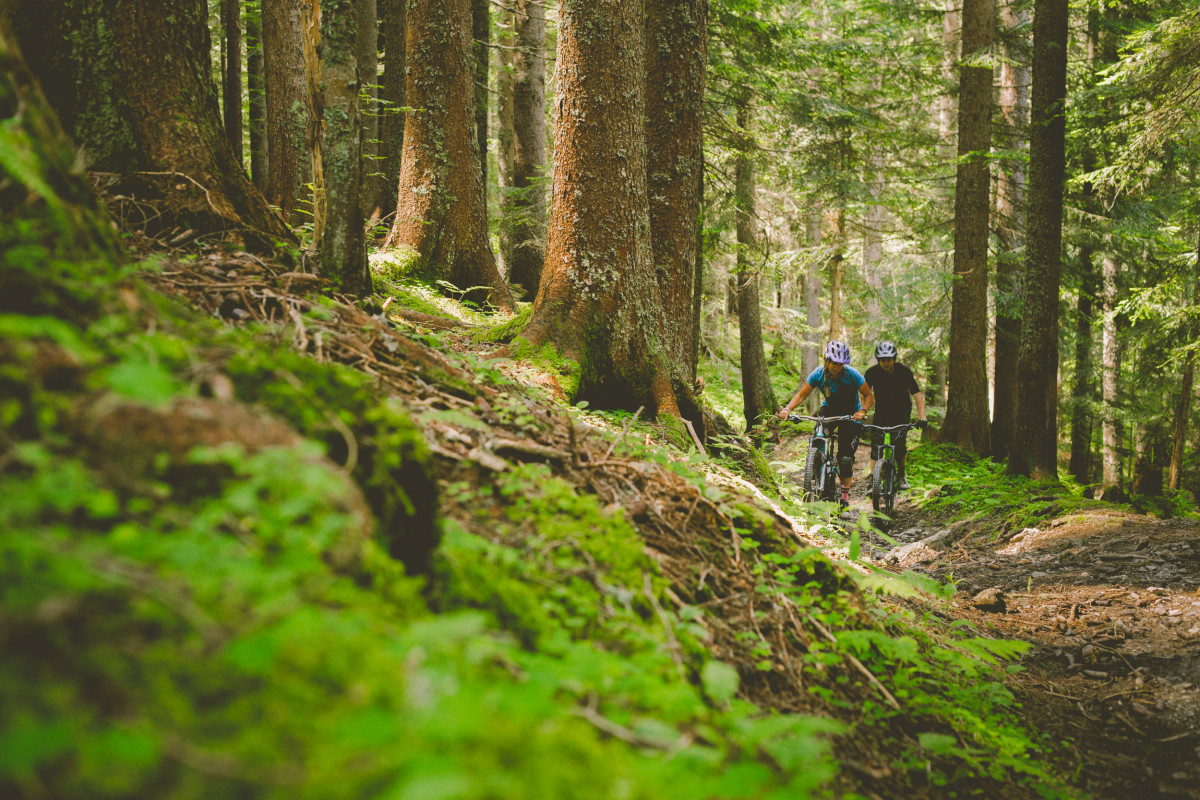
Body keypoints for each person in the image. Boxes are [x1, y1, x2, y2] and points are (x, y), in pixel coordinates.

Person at [778, 340, 874, 508]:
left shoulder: (852, 375)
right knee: (819, 437)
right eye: (834, 363)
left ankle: (844, 499)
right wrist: (787, 409)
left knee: (845, 459)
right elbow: (801, 395)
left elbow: (869, 396)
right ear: (827, 360)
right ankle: (817, 469)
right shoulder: (818, 374)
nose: (837, 367)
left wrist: (862, 412)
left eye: (840, 364)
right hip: (828, 411)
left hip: (850, 416)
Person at [863, 341, 927, 491]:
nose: (886, 363)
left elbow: (917, 395)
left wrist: (922, 417)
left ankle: (901, 475)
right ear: (878, 360)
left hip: (901, 411)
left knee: (899, 444)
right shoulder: (872, 372)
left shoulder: (903, 371)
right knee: (875, 444)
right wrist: (861, 412)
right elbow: (863, 393)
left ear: (894, 359)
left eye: (889, 359)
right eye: (883, 360)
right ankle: (874, 478)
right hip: (882, 411)